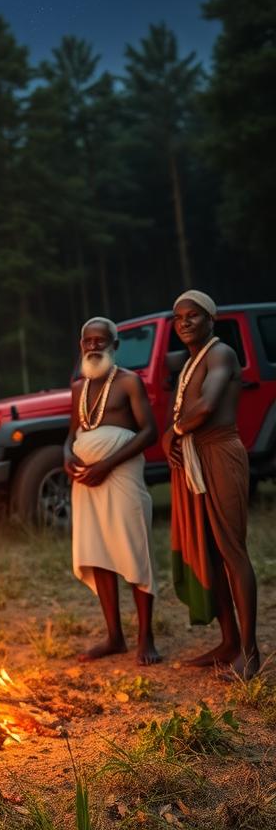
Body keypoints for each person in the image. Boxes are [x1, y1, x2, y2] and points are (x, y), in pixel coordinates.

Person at [163, 290, 259, 678]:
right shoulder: (189, 363)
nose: (183, 323)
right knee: (209, 550)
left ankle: (250, 652)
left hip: (220, 453)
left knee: (232, 550)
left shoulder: (221, 354)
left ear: (210, 319)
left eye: (192, 316)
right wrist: (173, 436)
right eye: (178, 318)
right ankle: (228, 641)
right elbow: (181, 412)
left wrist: (173, 430)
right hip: (194, 457)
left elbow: (204, 407)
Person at [64, 317, 160, 664]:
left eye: (100, 340)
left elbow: (149, 432)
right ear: (81, 346)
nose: (93, 346)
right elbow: (71, 435)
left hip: (120, 476)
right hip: (86, 482)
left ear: (114, 345)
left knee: (135, 549)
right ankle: (114, 636)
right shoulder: (79, 388)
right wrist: (66, 458)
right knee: (98, 552)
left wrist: (106, 464)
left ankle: (145, 638)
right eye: (87, 340)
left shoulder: (129, 382)